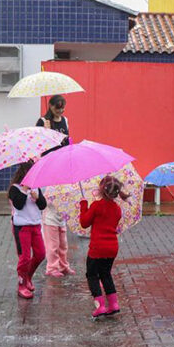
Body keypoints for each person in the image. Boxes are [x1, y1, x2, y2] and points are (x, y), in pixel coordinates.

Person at [80, 175, 128, 318]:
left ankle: (100, 306)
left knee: (92, 275)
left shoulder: (96, 206)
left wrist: (83, 206)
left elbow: (84, 223)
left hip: (97, 248)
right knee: (106, 274)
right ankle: (113, 304)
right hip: (112, 247)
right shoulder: (117, 208)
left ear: (101, 190)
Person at [8, 162, 46, 299]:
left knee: (41, 254)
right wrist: (24, 189)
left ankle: (28, 276)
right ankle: (21, 284)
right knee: (24, 258)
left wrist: (37, 198)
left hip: (36, 226)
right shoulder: (15, 189)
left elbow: (43, 205)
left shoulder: (36, 188)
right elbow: (18, 204)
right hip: (22, 227)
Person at [41, 136, 74, 277]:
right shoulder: (48, 177)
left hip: (61, 218)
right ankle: (52, 268)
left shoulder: (65, 176)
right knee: (52, 246)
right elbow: (44, 197)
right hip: (50, 219)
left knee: (63, 245)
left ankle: (63, 265)